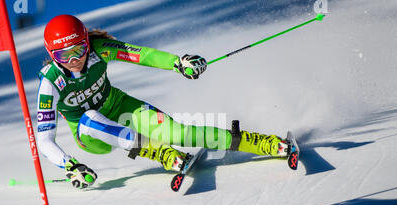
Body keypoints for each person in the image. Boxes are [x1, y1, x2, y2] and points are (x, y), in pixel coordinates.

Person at [37, 14, 290, 189]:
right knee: (89, 118)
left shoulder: (99, 48)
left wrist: (178, 63)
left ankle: (262, 143)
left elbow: (141, 55)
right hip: (91, 138)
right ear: (52, 55)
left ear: (86, 43)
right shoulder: (50, 83)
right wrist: (71, 166)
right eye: (64, 55)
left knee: (177, 132)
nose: (74, 60)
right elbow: (45, 139)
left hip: (119, 106)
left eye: (79, 50)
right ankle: (160, 153)